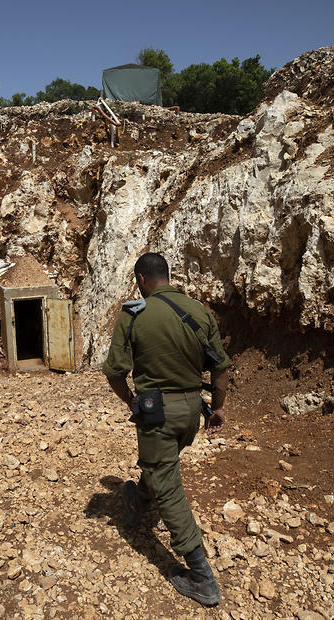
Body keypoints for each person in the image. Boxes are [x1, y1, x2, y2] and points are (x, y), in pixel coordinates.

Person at [102, 252, 229, 606]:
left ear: (141, 279)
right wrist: (217, 408)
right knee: (163, 464)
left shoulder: (133, 314)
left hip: (157, 413)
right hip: (192, 412)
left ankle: (202, 576)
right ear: (167, 276)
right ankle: (140, 500)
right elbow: (220, 370)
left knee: (168, 485)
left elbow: (114, 372)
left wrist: (131, 401)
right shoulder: (199, 311)